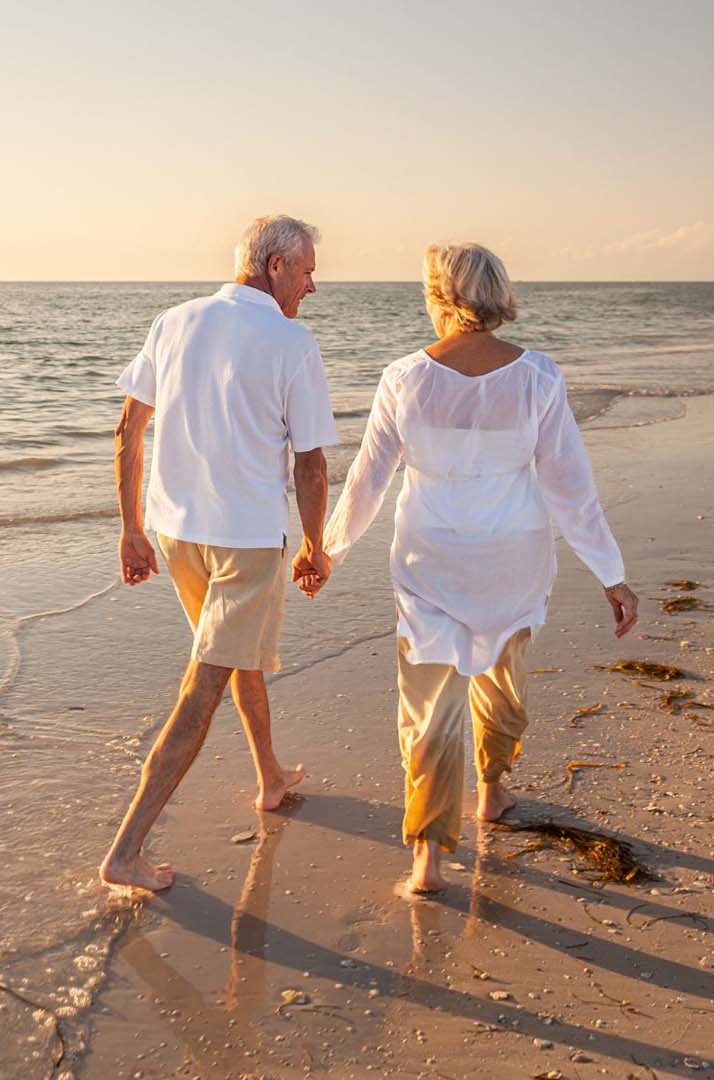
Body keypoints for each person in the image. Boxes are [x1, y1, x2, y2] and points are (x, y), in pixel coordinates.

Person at [320, 241, 639, 894]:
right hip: (512, 561)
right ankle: (491, 792)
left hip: (429, 559)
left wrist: (327, 551)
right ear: (495, 295)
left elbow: (367, 484)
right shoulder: (539, 377)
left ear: (439, 296)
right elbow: (570, 488)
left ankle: (429, 858)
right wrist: (611, 572)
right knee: (502, 684)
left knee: (429, 707)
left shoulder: (404, 376)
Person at [98, 214, 338, 892]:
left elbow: (126, 431)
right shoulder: (292, 343)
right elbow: (312, 465)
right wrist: (317, 545)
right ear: (276, 267)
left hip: (176, 535)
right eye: (309, 270)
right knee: (205, 683)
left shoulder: (173, 321)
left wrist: (132, 529)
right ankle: (126, 851)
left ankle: (269, 776)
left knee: (238, 657)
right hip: (246, 544)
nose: (313, 285)